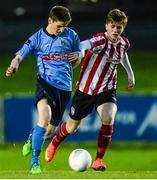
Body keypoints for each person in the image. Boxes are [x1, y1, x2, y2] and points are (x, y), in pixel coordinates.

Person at [45, 9, 135, 171]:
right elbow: (83, 45)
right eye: (113, 26)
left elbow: (123, 55)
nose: (115, 30)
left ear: (123, 28)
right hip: (85, 90)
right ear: (106, 25)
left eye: (119, 27)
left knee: (108, 118)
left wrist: (130, 75)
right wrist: (79, 54)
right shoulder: (100, 40)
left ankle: (98, 160)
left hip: (107, 89)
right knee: (72, 127)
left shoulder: (124, 43)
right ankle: (55, 141)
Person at [5, 5, 82, 174]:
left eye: (64, 26)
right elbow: (19, 56)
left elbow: (77, 58)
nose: (61, 30)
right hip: (45, 83)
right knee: (44, 117)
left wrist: (78, 56)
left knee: (49, 131)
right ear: (50, 20)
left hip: (64, 88)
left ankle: (32, 137)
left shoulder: (72, 35)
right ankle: (35, 163)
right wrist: (13, 66)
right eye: (59, 26)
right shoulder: (37, 38)